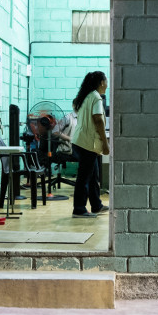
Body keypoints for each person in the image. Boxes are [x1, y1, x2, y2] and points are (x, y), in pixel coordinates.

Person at [71, 71, 110, 218]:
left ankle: (96, 205)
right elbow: (98, 120)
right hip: (87, 143)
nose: (107, 84)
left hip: (80, 141)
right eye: (106, 81)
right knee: (84, 178)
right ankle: (79, 209)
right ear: (101, 82)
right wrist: (105, 144)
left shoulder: (86, 96)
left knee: (93, 176)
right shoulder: (96, 97)